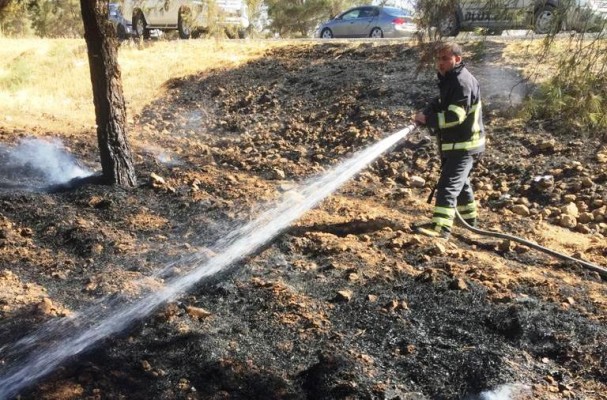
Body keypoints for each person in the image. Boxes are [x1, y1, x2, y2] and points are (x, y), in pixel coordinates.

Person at [411, 41, 485, 239]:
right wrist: (429, 110)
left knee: (448, 186)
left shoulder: (461, 82)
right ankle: (469, 223)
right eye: (438, 59)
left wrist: (427, 120)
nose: (440, 63)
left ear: (457, 59)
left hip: (464, 146)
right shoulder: (451, 79)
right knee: (462, 185)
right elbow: (442, 103)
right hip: (459, 145)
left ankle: (441, 228)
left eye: (445, 59)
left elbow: (454, 117)